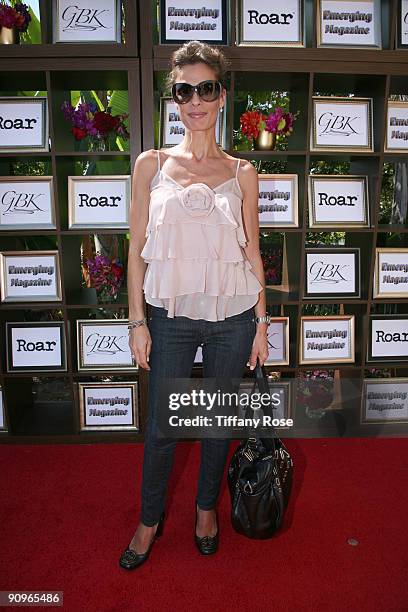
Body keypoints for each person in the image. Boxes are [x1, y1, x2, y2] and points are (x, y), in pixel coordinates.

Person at [119, 40, 269, 570]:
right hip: (171, 318)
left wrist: (261, 321)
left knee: (217, 423)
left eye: (206, 88)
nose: (196, 100)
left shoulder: (243, 172)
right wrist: (138, 321)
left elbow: (251, 248)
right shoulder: (151, 165)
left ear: (221, 96)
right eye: (185, 90)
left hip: (232, 319)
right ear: (174, 100)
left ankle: (206, 510)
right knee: (162, 427)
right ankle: (150, 519)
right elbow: (135, 250)